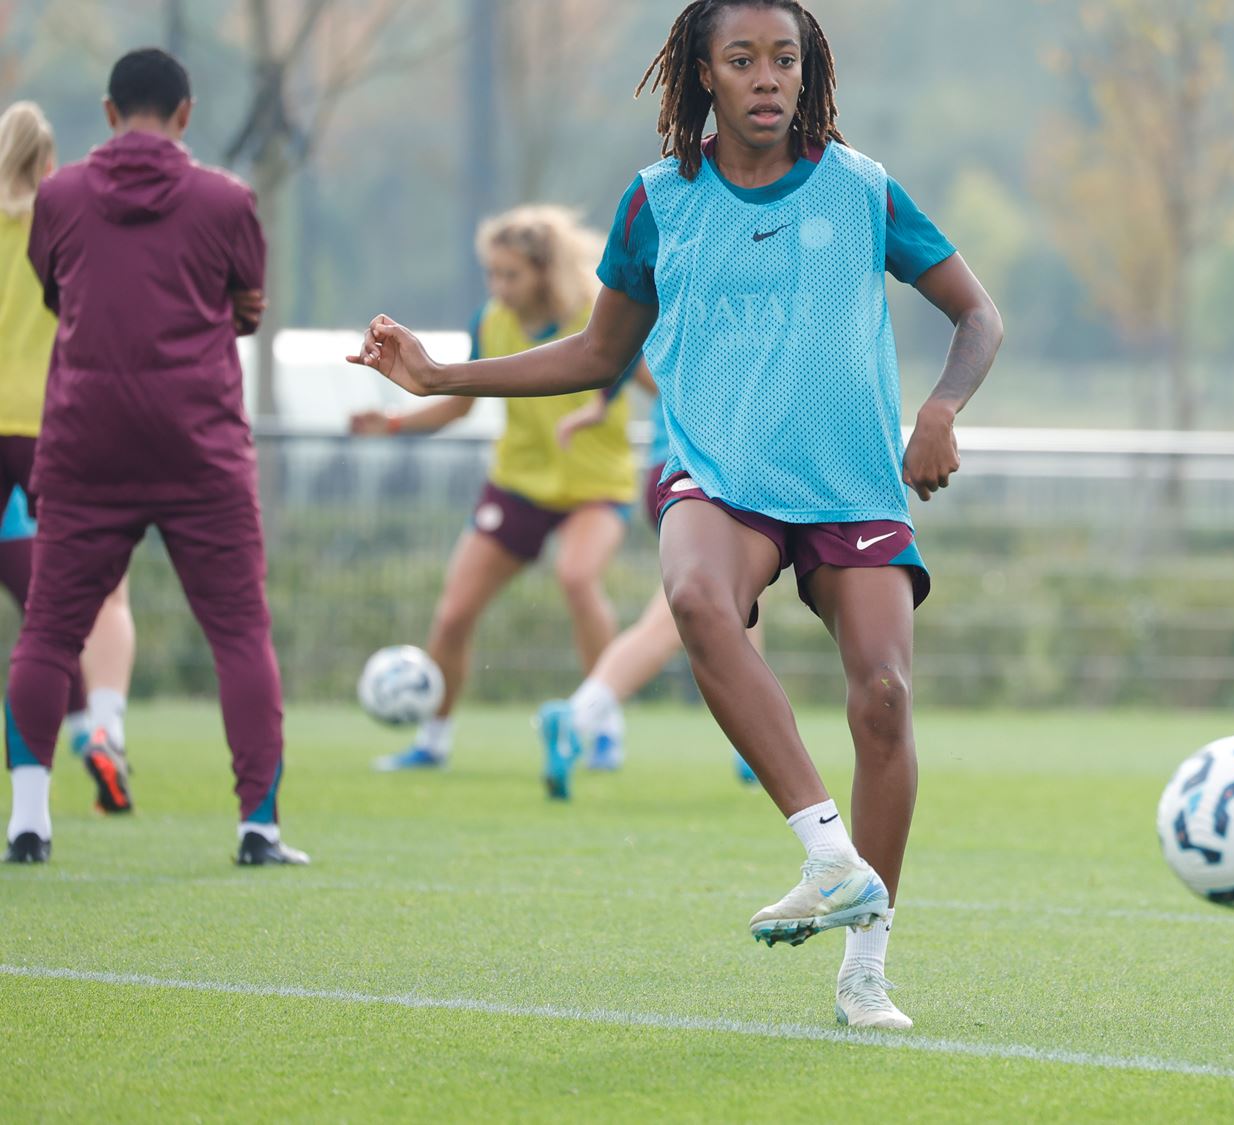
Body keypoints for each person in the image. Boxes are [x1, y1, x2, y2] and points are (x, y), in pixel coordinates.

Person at [350, 0, 1002, 1029]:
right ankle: (828, 854)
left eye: (783, 58)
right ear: (701, 74)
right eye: (741, 59)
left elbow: (977, 313)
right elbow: (596, 355)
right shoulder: (658, 201)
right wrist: (440, 378)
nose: (765, 77)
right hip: (720, 476)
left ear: (806, 70)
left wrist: (939, 410)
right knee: (695, 596)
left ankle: (865, 971)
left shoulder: (862, 189)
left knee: (881, 699)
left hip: (851, 486)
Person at [4, 48, 302, 865]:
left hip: (84, 439)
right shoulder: (226, 200)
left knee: (48, 632)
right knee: (239, 631)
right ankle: (258, 827)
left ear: (106, 112)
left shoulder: (58, 199)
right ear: (186, 113)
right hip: (199, 442)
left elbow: (57, 290)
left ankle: (28, 820)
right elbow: (247, 305)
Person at [351, 206, 637, 776]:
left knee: (578, 579)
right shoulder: (491, 320)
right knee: (454, 612)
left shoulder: (594, 316)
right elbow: (458, 405)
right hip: (518, 485)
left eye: (511, 274)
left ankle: (602, 725)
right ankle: (433, 738)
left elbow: (645, 370)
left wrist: (600, 407)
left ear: (544, 271)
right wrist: (393, 424)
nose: (498, 286)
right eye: (492, 273)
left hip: (595, 487)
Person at [0, 102, 138, 814]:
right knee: (79, 603)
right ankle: (99, 728)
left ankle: (33, 801)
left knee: (37, 608)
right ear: (50, 166)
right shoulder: (64, 219)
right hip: (47, 425)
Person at [535, 379, 763, 797]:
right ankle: (578, 717)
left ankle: (757, 740)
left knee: (742, 596)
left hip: (673, 465)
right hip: (707, 468)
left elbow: (627, 334)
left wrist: (602, 400)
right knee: (672, 620)